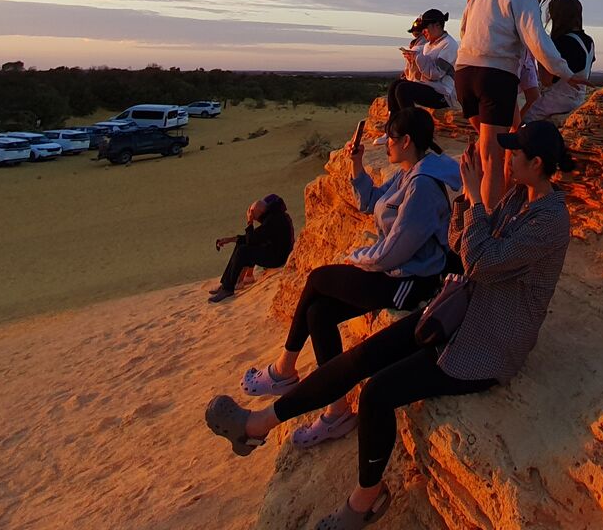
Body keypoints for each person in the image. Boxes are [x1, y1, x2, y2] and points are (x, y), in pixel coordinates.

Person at [206, 120, 575, 530]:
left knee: (378, 393)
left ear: (537, 163)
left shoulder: (550, 221)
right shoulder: (518, 199)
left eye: (515, 154)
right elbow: (461, 243)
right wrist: (465, 203)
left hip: (488, 344)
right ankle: (259, 424)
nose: (506, 159)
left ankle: (366, 499)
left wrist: (474, 200)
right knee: (363, 356)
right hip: (461, 311)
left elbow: (480, 261)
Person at [235, 107, 462, 446]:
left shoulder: (424, 187)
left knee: (318, 279)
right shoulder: (409, 171)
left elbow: (394, 251)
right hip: (394, 270)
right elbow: (370, 202)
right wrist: (356, 165)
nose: (385, 144)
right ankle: (337, 410)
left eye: (391, 139)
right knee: (318, 312)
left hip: (409, 283)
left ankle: (285, 370)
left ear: (408, 141)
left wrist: (355, 258)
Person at [454, 0, 568, 211]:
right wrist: (565, 72)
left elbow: (463, 27)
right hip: (494, 77)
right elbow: (537, 40)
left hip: (464, 72)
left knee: (495, 143)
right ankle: (487, 227)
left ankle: (474, 212)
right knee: (492, 158)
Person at [524, 0, 594, 123]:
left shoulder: (562, 42)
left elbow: (546, 80)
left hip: (554, 103)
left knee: (525, 125)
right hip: (577, 101)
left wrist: (540, 51)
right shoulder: (589, 42)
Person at [208, 194, 294, 303]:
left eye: (253, 215)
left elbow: (252, 240)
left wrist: (249, 223)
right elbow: (254, 237)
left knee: (243, 251)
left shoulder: (273, 220)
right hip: (274, 252)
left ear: (259, 213)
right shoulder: (274, 216)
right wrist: (229, 240)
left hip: (278, 258)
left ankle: (228, 289)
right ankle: (225, 284)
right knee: (241, 246)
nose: (254, 218)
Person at [388, 9, 459, 116]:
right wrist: (412, 62)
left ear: (437, 25)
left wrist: (418, 57)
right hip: (430, 87)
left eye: (426, 27)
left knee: (403, 89)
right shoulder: (427, 46)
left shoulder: (449, 45)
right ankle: (393, 125)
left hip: (443, 94)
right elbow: (423, 73)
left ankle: (412, 127)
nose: (423, 31)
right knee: (395, 85)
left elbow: (436, 74)